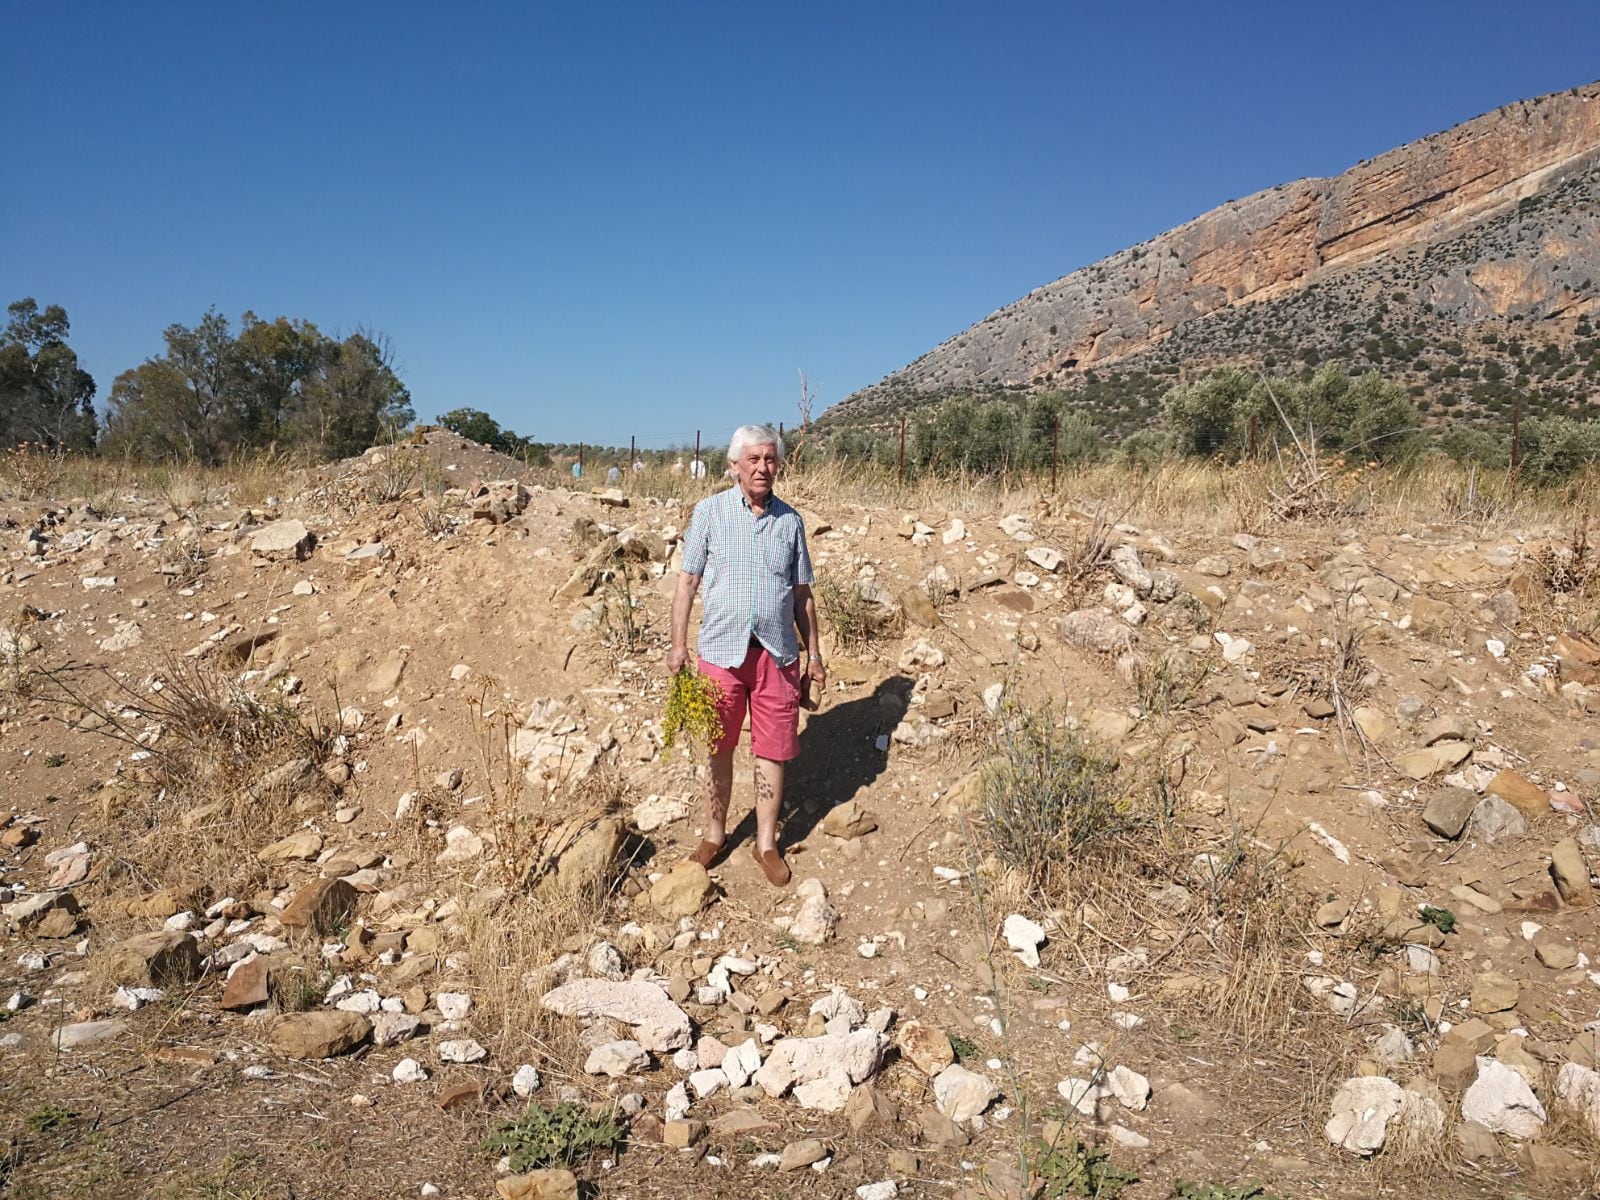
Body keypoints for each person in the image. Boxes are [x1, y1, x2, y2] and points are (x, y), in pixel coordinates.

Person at [669, 424, 824, 886]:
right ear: (734, 466)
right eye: (753, 460)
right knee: (719, 747)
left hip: (777, 656)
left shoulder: (790, 521)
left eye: (770, 459)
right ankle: (715, 834)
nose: (762, 468)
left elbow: (802, 596)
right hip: (721, 652)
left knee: (772, 752)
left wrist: (813, 655)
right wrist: (678, 645)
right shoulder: (710, 513)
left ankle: (766, 843)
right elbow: (687, 582)